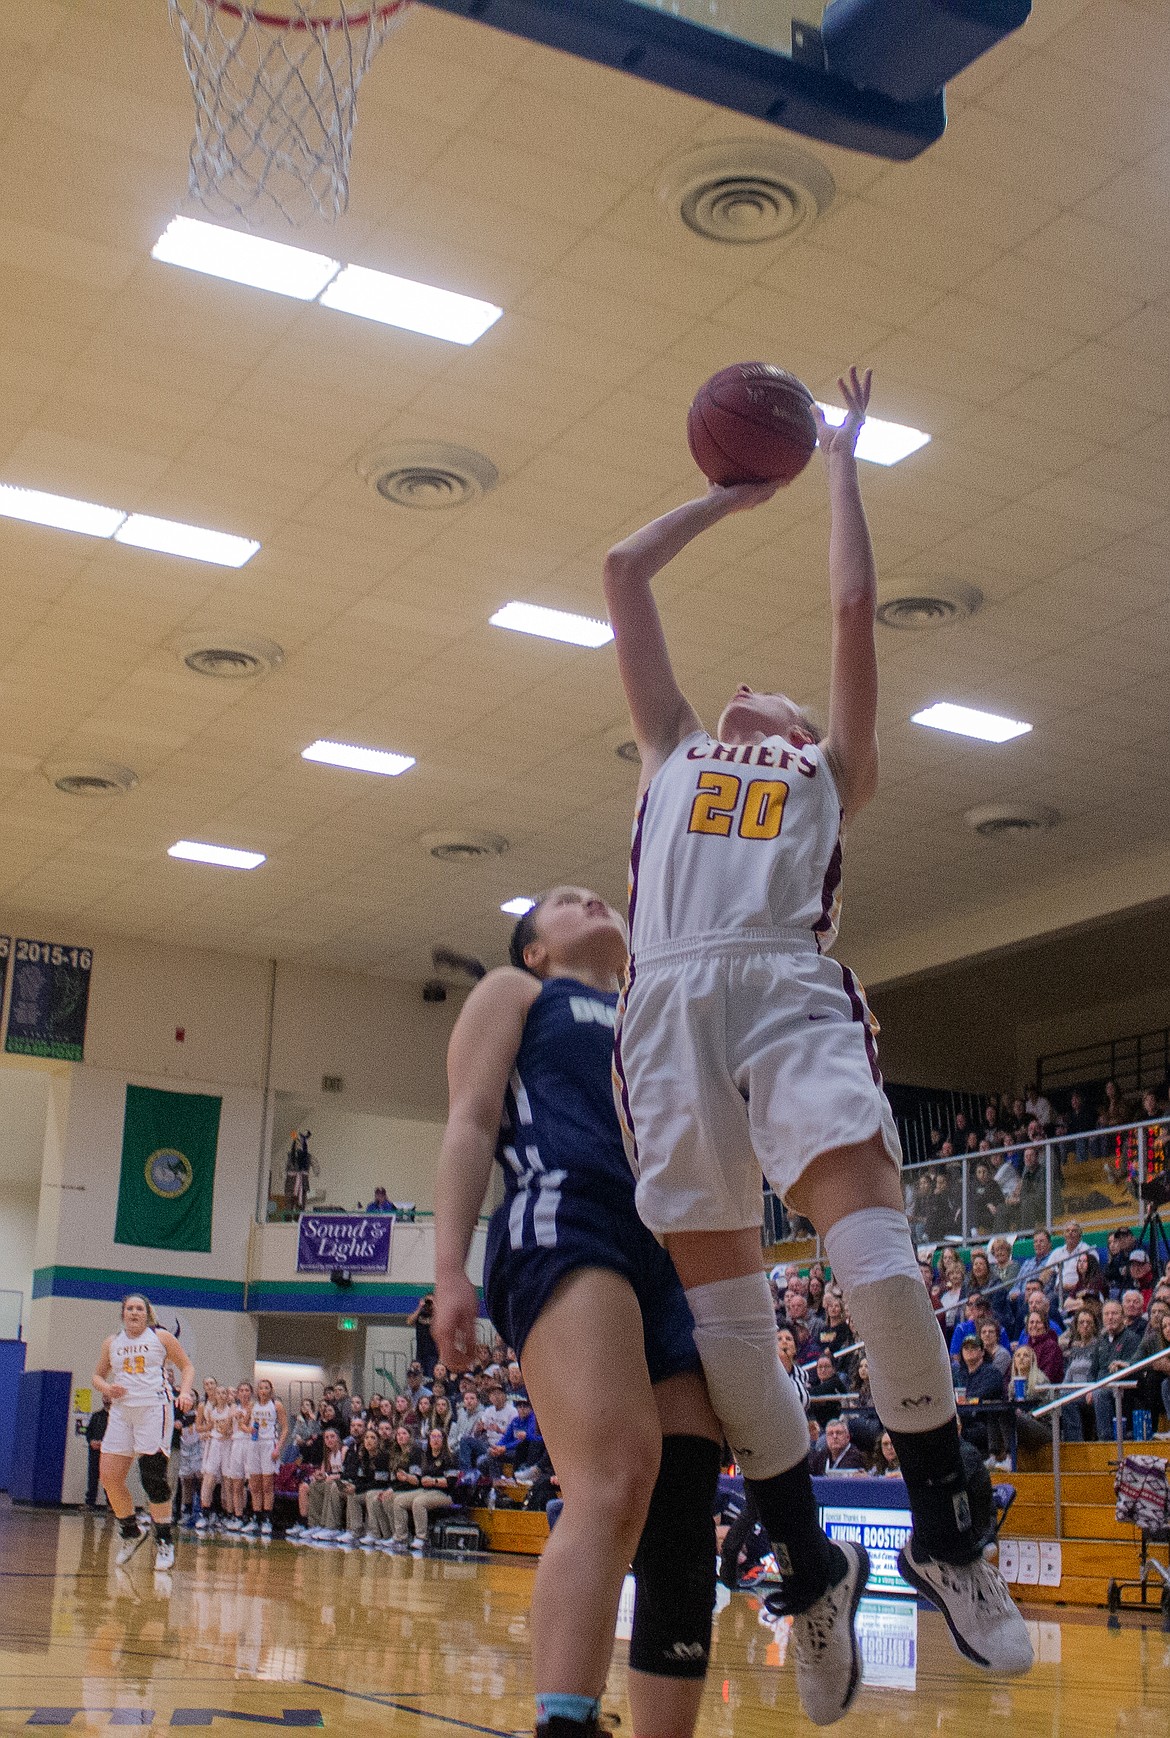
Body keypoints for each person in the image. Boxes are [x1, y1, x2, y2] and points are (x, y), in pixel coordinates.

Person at [602, 364, 1030, 1681]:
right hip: (666, 1001)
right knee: (731, 1330)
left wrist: (837, 467)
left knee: (876, 1262)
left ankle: (945, 1527)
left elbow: (850, 603)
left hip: (785, 986)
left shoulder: (826, 768)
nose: (752, 688)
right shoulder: (669, 744)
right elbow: (624, 569)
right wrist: (731, 496)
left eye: (777, 692)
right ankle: (808, 1560)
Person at [433, 887, 754, 1738]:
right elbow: (468, 1124)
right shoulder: (519, 994)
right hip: (565, 1213)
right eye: (566, 902)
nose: (591, 898)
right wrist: (449, 1270)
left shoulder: (656, 1005)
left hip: (671, 1241)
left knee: (683, 1506)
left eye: (599, 892)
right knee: (613, 1476)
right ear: (532, 949)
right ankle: (565, 1725)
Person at [93, 1294, 195, 1572]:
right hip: (122, 1411)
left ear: (147, 1313)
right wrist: (107, 1388)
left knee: (152, 1477)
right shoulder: (111, 1342)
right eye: (130, 1308)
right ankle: (131, 1532)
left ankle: (164, 1540)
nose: (135, 1312)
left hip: (153, 1408)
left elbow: (187, 1366)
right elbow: (98, 1375)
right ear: (123, 1313)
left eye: (140, 1308)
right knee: (110, 1477)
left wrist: (184, 1393)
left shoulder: (160, 1337)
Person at [391, 1426, 458, 1552]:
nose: (436, 1439)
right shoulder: (425, 1457)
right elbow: (418, 1477)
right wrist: (407, 1477)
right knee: (399, 1501)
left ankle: (421, 1538)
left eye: (439, 1437)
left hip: (444, 1493)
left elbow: (451, 1482)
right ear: (429, 1439)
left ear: (444, 1440)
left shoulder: (450, 1457)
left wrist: (434, 1481)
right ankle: (402, 1537)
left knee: (419, 1502)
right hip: (425, 1490)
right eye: (433, 1436)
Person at [244, 1377, 287, 1537]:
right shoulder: (252, 1405)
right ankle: (256, 1518)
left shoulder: (276, 1405)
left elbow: (285, 1428)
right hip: (254, 1444)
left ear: (271, 1390)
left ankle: (267, 1519)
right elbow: (243, 1423)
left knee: (267, 1484)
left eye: (266, 1387)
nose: (263, 1390)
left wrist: (278, 1448)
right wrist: (249, 1430)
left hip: (269, 1444)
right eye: (261, 1387)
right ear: (257, 1390)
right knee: (254, 1484)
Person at [85, 1402, 108, 1508]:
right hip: (95, 1451)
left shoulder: (116, 1417)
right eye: (104, 1396)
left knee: (108, 1478)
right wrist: (91, 1441)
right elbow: (88, 1431)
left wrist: (104, 1444)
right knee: (93, 1476)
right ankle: (90, 1502)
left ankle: (111, 1504)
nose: (106, 1399)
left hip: (108, 1452)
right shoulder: (97, 1415)